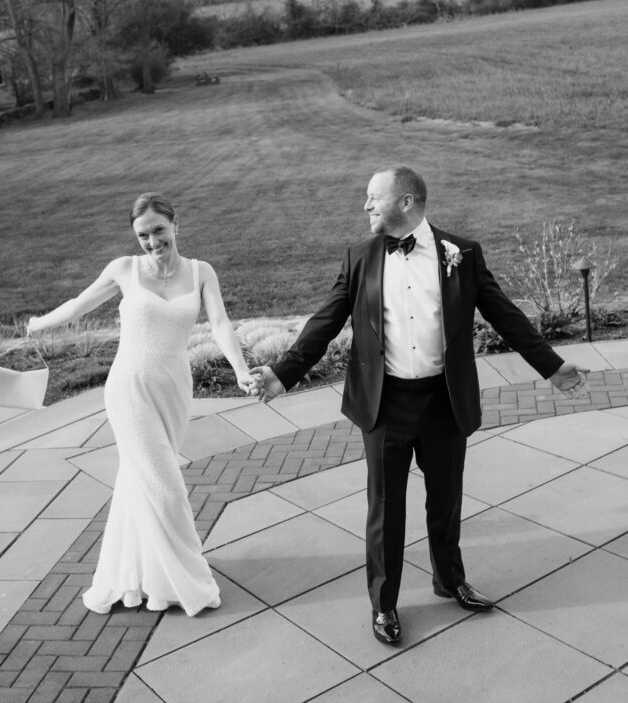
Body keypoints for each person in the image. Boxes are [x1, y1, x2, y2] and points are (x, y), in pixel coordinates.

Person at [250, 166, 589, 646]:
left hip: (444, 401)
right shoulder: (361, 257)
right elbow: (324, 323)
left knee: (446, 499)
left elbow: (504, 314)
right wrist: (281, 374)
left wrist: (551, 367)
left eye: (373, 197)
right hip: (384, 403)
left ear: (406, 202)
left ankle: (450, 580)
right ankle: (384, 604)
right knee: (385, 508)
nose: (365, 206)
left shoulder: (461, 254)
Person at [28, 192, 260, 615]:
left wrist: (241, 369)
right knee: (165, 485)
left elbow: (221, 323)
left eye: (158, 230)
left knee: (142, 481)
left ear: (175, 226)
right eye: (143, 235)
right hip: (129, 389)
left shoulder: (201, 272)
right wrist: (38, 324)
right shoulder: (124, 269)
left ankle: (143, 579)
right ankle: (189, 581)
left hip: (174, 389)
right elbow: (80, 305)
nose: (152, 241)